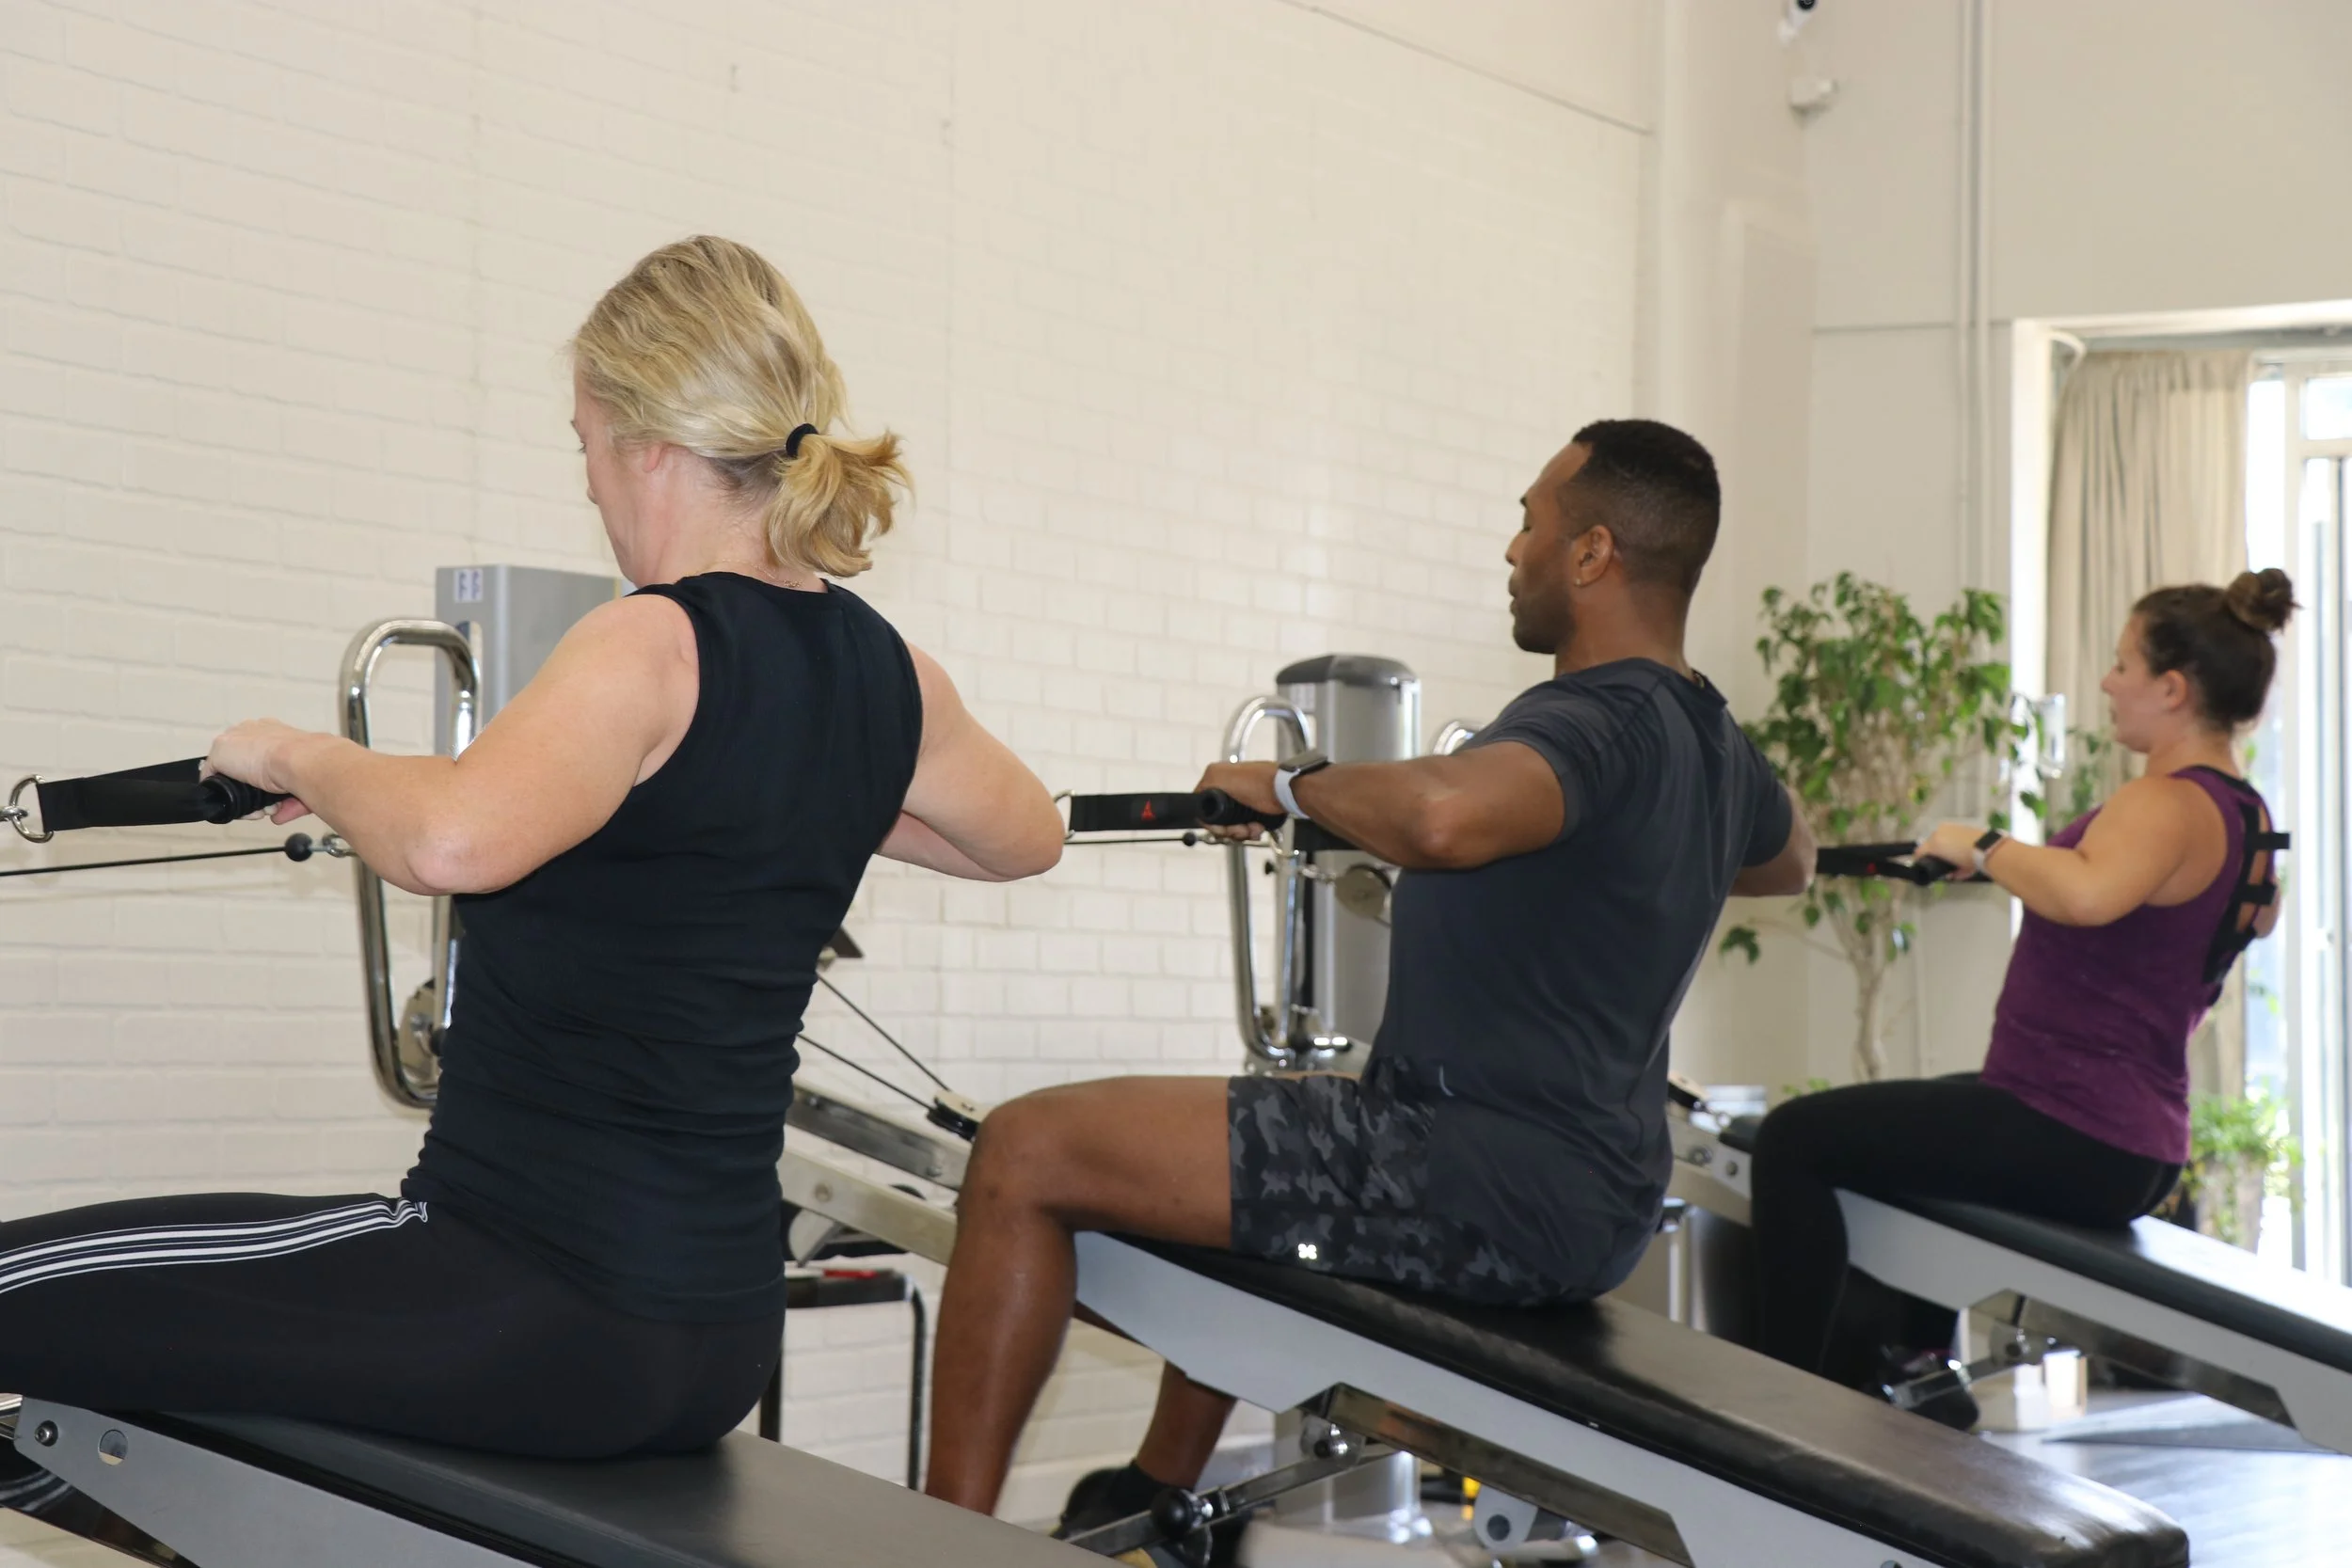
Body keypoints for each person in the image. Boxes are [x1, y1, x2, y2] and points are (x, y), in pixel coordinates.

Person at [0, 236, 1064, 1526]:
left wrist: (295, 752)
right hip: (709, 1337)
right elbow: (1023, 835)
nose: (590, 481)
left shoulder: (649, 639)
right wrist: (787, 787)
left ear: (645, 441)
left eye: (585, 443)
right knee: (117, 1450)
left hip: (520, 1290)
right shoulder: (892, 673)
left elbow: (449, 844)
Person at [922, 419, 1814, 1528]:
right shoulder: (1707, 733)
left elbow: (1440, 814)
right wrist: (1640, 850)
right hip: (1587, 1190)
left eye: (1529, 523)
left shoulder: (1594, 714)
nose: (1512, 550)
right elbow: (1789, 857)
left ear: (1592, 553)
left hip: (1473, 1169)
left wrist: (1293, 786)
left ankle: (938, 1542)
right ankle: (1152, 1492)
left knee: (1024, 1150)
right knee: (1258, 1129)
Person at [1749, 570, 2295, 1418]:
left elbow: (2088, 894)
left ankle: (1763, 1409)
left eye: (2123, 664)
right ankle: (1922, 1372)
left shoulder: (2167, 802)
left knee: (1792, 1140)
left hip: (2077, 1126)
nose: (2107, 682)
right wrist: (1995, 863)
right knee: (1912, 1124)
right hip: (2127, 1137)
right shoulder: (2246, 815)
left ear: (2172, 689)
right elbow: (2204, 915)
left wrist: (1989, 843)